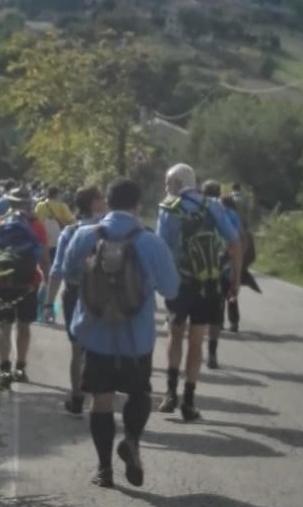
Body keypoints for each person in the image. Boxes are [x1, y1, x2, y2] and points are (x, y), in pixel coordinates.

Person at [64, 178, 180, 488]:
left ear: (108, 203)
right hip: (136, 338)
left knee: (100, 400)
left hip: (94, 334)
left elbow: (70, 272)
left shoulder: (84, 235)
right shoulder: (151, 242)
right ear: (137, 205)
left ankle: (104, 470)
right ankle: (131, 440)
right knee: (140, 393)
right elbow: (171, 288)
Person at [157, 164, 242, 421]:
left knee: (174, 333)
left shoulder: (168, 208)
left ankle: (170, 393)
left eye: (167, 182)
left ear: (177, 183)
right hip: (208, 282)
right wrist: (235, 280)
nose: (165, 187)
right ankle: (189, 401)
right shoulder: (213, 206)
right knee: (196, 339)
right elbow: (235, 242)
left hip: (181, 282)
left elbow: (162, 249)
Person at [45, 185, 108, 415]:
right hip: (101, 295)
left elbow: (57, 270)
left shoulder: (70, 232)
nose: (105, 200)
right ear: (93, 203)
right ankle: (97, 397)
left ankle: (77, 397)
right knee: (98, 347)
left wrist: (48, 303)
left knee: (76, 348)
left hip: (74, 293)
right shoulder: (108, 230)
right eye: (101, 197)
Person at [0, 187, 49, 389]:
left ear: (10, 203)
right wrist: (46, 278)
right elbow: (43, 255)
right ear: (28, 204)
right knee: (24, 326)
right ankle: (20, 367)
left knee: (4, 325)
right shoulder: (36, 226)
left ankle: (4, 368)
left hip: (1, 282)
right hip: (27, 282)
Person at [200, 180, 228, 368]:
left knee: (197, 312)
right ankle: (212, 352)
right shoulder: (224, 210)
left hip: (195, 266)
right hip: (219, 266)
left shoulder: (193, 209)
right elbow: (235, 238)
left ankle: (196, 346)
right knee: (216, 313)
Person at [220, 194, 257, 334]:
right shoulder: (239, 218)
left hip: (226, 256)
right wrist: (240, 256)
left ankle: (220, 321)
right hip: (235, 257)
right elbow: (246, 241)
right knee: (231, 289)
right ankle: (233, 322)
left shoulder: (226, 217)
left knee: (222, 290)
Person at [36, 186, 75, 266]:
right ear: (57, 194)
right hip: (57, 235)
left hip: (42, 235)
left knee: (44, 261)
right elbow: (71, 220)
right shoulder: (61, 205)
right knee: (56, 257)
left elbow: (35, 218)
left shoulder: (40, 205)